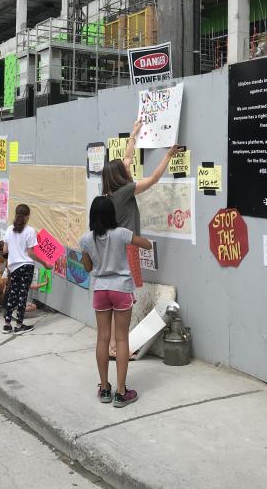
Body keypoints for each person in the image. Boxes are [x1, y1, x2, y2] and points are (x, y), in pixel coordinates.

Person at [102, 119, 180, 357]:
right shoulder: (126, 191)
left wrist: (134, 133)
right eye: (125, 169)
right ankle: (116, 346)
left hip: (115, 248)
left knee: (122, 296)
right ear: (120, 177)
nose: (129, 166)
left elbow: (126, 159)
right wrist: (168, 156)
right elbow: (154, 179)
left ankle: (114, 344)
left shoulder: (107, 191)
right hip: (128, 248)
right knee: (124, 297)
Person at [80, 196, 152, 408]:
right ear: (112, 214)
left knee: (102, 339)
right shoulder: (121, 234)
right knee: (121, 340)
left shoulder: (85, 239)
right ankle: (121, 392)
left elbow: (87, 267)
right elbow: (146, 244)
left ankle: (104, 388)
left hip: (100, 290)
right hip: (121, 289)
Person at [2, 204, 52, 335]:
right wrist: (45, 263)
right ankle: (19, 325)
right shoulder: (30, 231)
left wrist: (8, 264)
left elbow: (5, 251)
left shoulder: (8, 230)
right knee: (23, 295)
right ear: (28, 216)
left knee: (13, 293)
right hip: (26, 267)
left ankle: (7, 324)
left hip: (13, 267)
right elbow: (30, 253)